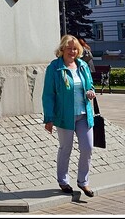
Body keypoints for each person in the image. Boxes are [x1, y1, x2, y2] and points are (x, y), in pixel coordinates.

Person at [42, 34, 97, 198]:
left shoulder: (82, 66)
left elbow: (90, 84)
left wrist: (91, 92)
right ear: (62, 49)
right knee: (66, 148)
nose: (72, 51)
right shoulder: (54, 67)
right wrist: (49, 118)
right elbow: (48, 94)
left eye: (75, 48)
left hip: (84, 114)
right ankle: (63, 180)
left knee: (87, 148)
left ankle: (83, 182)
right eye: (69, 48)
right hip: (64, 116)